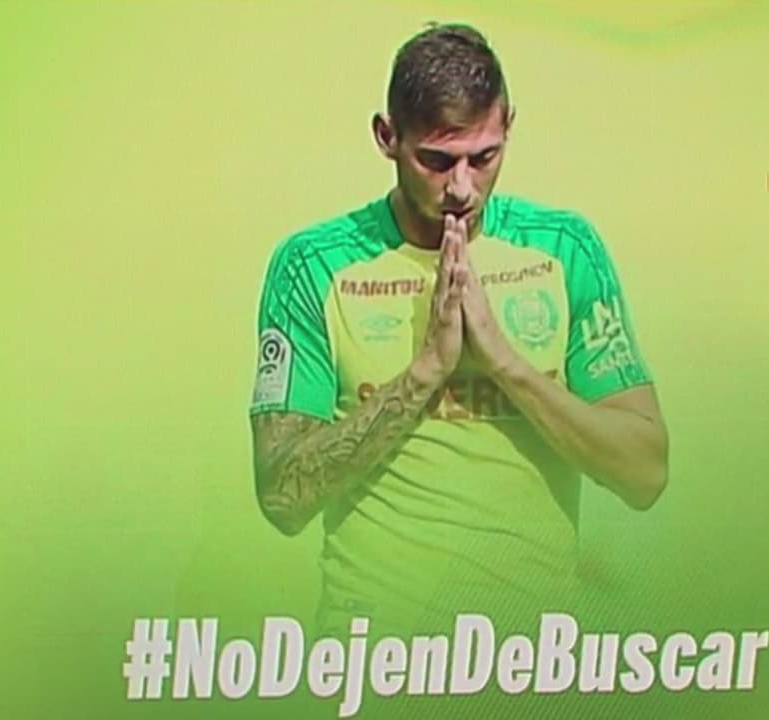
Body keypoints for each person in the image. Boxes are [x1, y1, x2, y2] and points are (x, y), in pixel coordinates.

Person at [248, 22, 668, 638]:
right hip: (375, 651)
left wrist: (506, 363)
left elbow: (644, 475)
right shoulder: (312, 266)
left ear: (509, 127)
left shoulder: (565, 249)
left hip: (529, 656)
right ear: (387, 137)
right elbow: (283, 496)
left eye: (484, 157)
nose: (462, 187)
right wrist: (426, 372)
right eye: (437, 161)